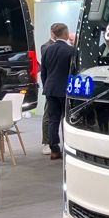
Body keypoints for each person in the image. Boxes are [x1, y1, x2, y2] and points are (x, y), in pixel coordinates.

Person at [40, 23, 73, 160]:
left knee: (53, 120)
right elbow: (74, 72)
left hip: (50, 90)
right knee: (67, 120)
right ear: (65, 34)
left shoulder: (47, 49)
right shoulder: (70, 50)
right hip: (65, 91)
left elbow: (43, 72)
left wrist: (47, 86)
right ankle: (68, 148)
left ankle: (54, 150)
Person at [40, 24, 59, 155]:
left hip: (60, 87)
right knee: (49, 116)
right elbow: (45, 69)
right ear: (52, 32)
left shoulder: (65, 47)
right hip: (51, 88)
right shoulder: (46, 46)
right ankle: (46, 142)